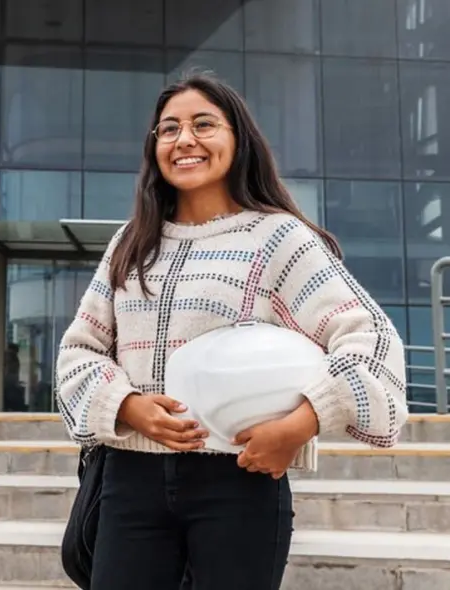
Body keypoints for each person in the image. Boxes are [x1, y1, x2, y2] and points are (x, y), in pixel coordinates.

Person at [55, 73, 408, 590]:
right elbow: (78, 350)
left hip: (238, 480)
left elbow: (372, 340)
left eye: (204, 124)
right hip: (129, 478)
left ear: (238, 139)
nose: (184, 140)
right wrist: (127, 405)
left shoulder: (278, 238)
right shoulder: (132, 241)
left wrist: (301, 424)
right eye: (168, 129)